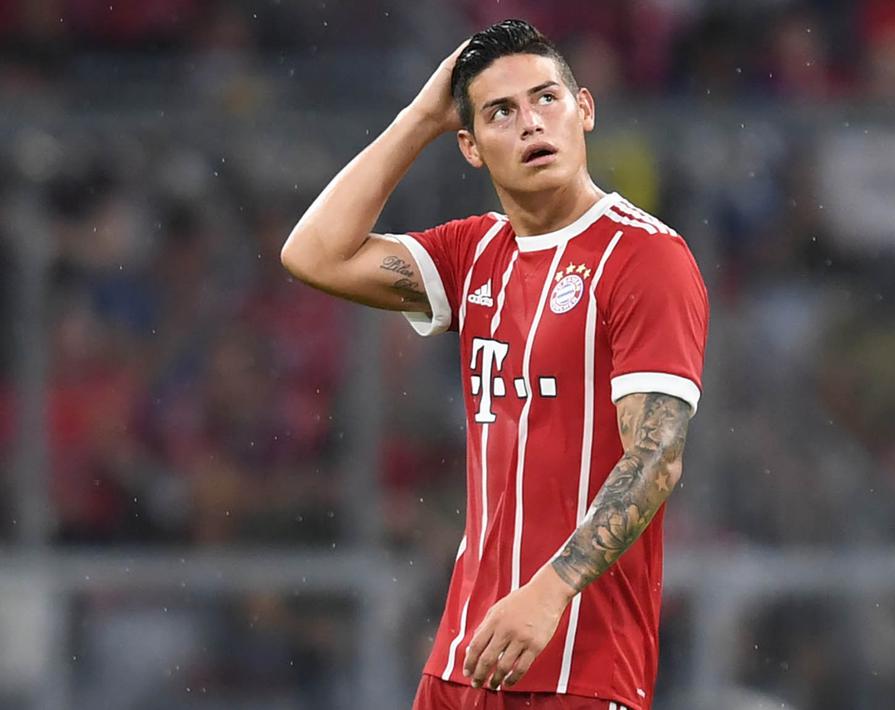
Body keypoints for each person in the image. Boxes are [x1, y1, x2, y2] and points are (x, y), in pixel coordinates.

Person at [280, 19, 709, 710]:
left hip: (577, 664)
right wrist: (420, 116)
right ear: (470, 147)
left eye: (547, 99)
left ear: (585, 110)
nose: (532, 123)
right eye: (501, 112)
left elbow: (656, 456)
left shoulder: (646, 259)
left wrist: (548, 592)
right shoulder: (472, 254)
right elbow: (313, 255)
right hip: (461, 663)